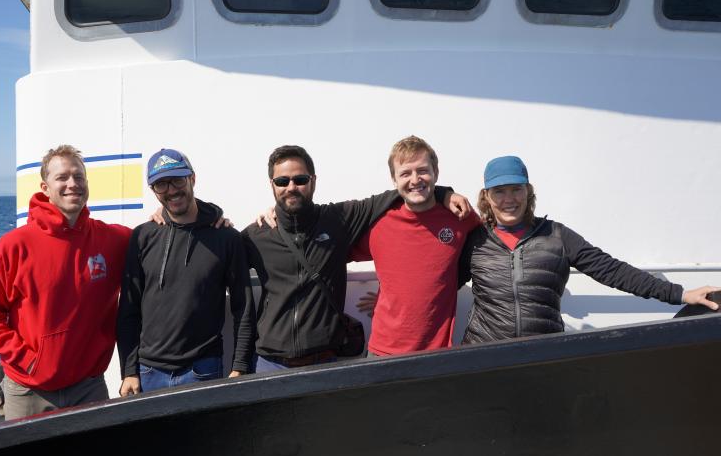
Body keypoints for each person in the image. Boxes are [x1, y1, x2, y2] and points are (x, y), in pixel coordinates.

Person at [243, 144, 471, 372]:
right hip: (270, 364)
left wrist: (444, 193)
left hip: (327, 362)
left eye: (300, 179)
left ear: (313, 180)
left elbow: (408, 191)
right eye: (282, 181)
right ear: (271, 185)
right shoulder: (258, 235)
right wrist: (216, 217)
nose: (291, 187)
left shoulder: (338, 219)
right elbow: (221, 264)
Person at [458, 155, 720, 344]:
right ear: (486, 197)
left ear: (528, 192)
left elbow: (612, 271)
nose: (509, 199)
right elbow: (436, 285)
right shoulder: (474, 240)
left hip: (541, 357)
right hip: (484, 355)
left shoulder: (557, 235)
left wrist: (682, 294)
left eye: (516, 189)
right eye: (499, 191)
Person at [0, 145, 132, 420]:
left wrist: (208, 217)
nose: (72, 184)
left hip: (88, 387)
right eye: (62, 177)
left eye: (79, 177)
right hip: (29, 390)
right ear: (45, 187)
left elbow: (156, 238)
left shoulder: (112, 240)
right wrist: (29, 360)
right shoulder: (13, 247)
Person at [116, 149, 256, 395]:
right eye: (161, 185)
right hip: (149, 374)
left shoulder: (225, 238)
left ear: (192, 178)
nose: (171, 191)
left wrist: (240, 366)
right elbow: (129, 309)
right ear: (153, 191)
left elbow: (243, 307)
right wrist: (129, 371)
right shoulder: (142, 236)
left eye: (177, 180)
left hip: (203, 370)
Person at [349, 136, 482, 356]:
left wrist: (446, 193)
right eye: (405, 173)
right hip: (383, 353)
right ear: (394, 179)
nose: (415, 179)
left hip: (438, 353)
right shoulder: (378, 224)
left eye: (422, 170)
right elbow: (329, 252)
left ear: (435, 173)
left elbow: (489, 245)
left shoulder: (459, 217)